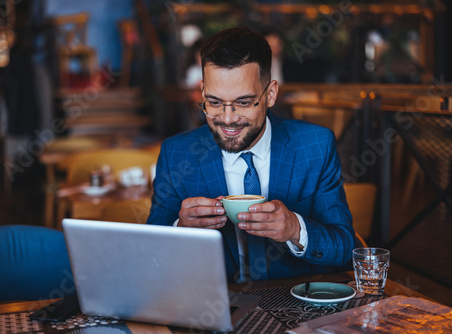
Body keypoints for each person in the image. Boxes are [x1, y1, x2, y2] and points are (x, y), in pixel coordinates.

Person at [147, 27, 355, 283]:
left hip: (293, 308)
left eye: (243, 103)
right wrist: (180, 230)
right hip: (210, 309)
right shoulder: (176, 153)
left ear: (270, 94)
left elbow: (344, 249)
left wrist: (294, 228)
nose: (227, 118)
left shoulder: (315, 146)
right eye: (213, 102)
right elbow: (150, 253)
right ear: (202, 91)